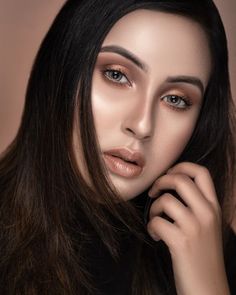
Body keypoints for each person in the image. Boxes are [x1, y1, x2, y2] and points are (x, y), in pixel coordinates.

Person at [0, 0, 235, 294]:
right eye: (116, 75)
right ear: (62, 71)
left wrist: (207, 285)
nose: (142, 125)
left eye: (176, 99)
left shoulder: (209, 254)